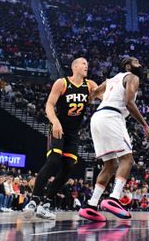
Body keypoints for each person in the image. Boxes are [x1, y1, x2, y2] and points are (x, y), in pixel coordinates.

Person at [79, 56, 149, 222]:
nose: (140, 64)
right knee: (127, 159)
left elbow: (93, 94)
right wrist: (145, 125)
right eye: (136, 62)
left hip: (97, 118)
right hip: (112, 116)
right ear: (127, 66)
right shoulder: (133, 77)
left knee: (110, 165)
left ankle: (91, 205)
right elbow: (128, 102)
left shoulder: (111, 80)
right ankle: (114, 198)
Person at [24, 57, 96, 220]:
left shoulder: (90, 85)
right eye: (84, 63)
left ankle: (46, 204)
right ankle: (33, 201)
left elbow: (103, 95)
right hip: (59, 128)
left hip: (73, 133)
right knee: (54, 161)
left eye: (87, 64)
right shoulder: (62, 83)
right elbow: (49, 105)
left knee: (68, 169)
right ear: (75, 67)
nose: (87, 66)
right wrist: (55, 121)